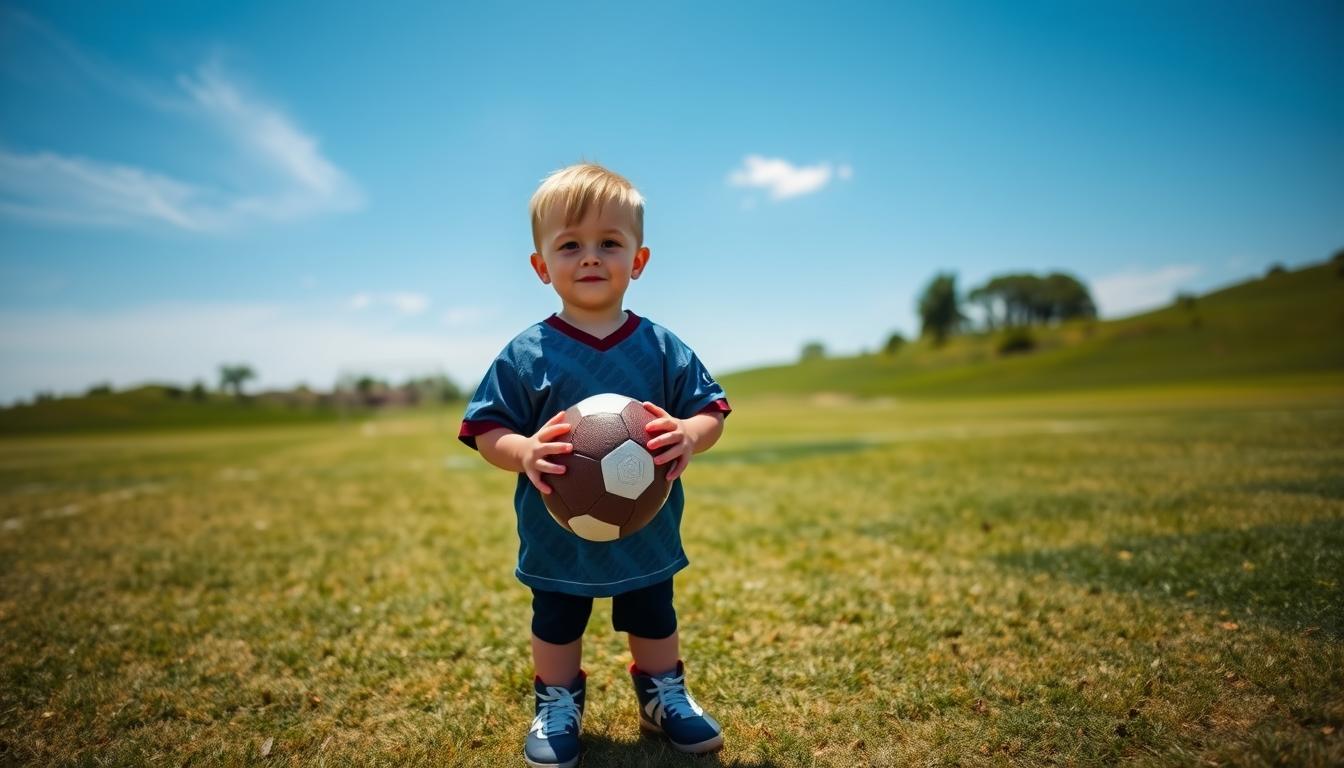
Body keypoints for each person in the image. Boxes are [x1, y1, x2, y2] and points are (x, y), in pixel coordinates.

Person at [458, 163, 731, 767]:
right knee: (556, 619)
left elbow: (711, 411)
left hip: (646, 524)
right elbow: (485, 429)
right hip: (558, 532)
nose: (590, 257)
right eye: (570, 245)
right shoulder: (528, 353)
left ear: (638, 260)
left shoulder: (661, 346)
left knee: (654, 612)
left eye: (609, 243)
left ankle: (664, 698)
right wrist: (523, 450)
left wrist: (690, 433)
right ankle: (557, 703)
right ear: (541, 266)